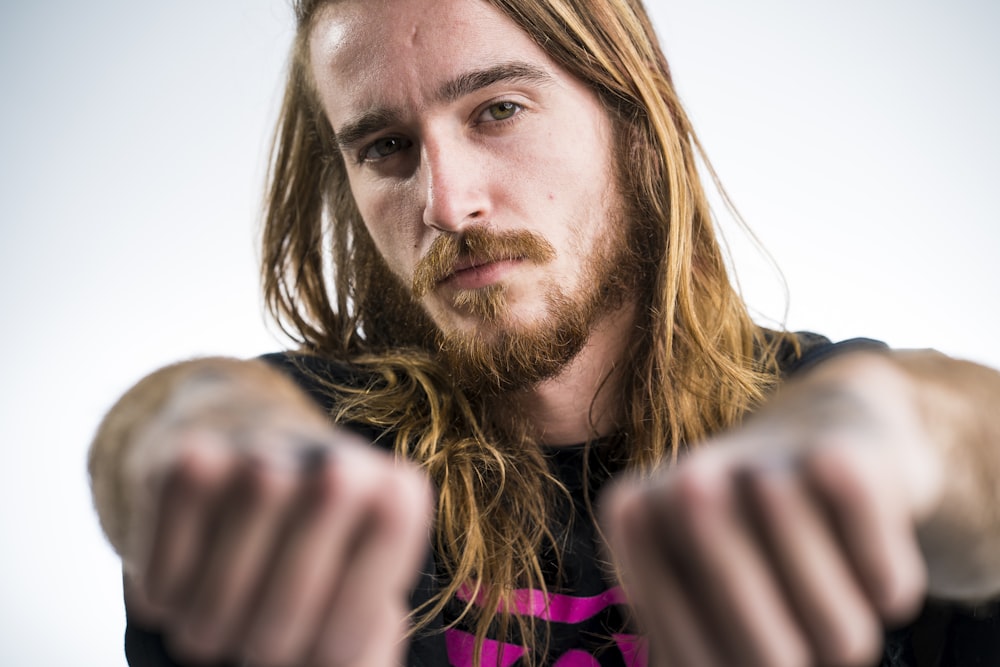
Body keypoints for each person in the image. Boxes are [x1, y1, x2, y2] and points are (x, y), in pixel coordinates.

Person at [87, 0, 1000, 665]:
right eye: (386, 148)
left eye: (498, 109)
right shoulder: (316, 454)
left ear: (631, 119)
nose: (447, 202)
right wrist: (183, 425)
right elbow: (175, 426)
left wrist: (914, 433)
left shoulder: (818, 428)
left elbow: (965, 445)